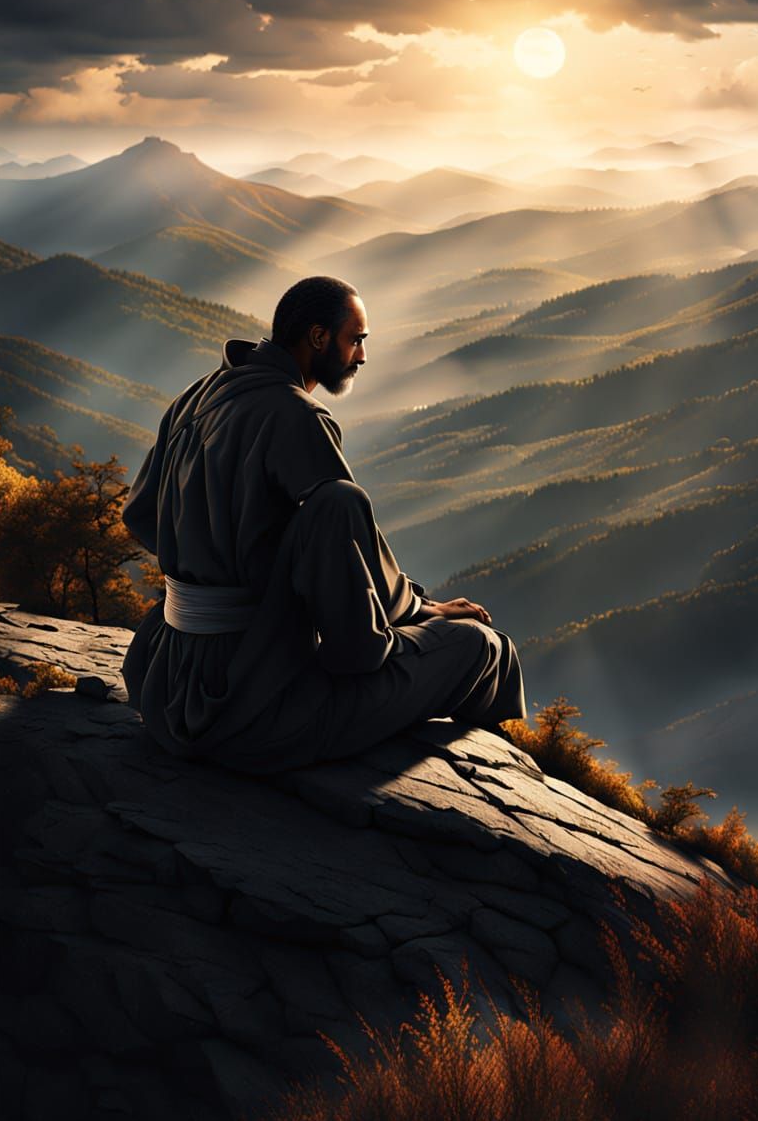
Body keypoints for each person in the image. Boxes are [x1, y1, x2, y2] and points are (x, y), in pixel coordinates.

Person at [121, 275, 527, 774]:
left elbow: (139, 515)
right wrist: (422, 609)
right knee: (483, 648)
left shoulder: (197, 396)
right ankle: (501, 771)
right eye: (355, 339)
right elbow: (355, 631)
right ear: (318, 338)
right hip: (249, 706)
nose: (361, 355)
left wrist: (228, 573)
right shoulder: (296, 416)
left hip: (164, 680)